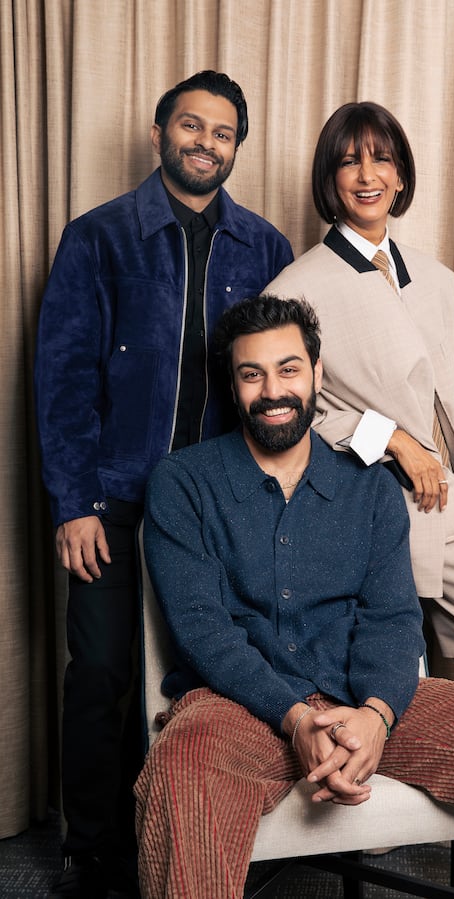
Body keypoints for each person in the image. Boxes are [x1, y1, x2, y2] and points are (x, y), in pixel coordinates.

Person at [135, 295, 454, 899]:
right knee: (183, 773)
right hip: (237, 708)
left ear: (317, 373)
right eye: (253, 374)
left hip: (365, 699)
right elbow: (203, 631)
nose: (273, 390)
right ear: (233, 383)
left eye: (289, 369)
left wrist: (378, 715)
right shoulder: (183, 482)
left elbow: (394, 620)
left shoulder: (372, 489)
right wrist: (296, 716)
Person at [265, 102, 454, 880]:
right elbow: (293, 410)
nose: (367, 175)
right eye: (350, 161)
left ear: (402, 174)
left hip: (452, 506)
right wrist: (390, 437)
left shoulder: (439, 280)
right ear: (329, 181)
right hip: (372, 510)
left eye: (382, 159)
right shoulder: (300, 284)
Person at [35, 71, 293, 899]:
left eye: (223, 133)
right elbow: (63, 378)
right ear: (158, 133)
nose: (205, 143)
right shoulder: (98, 237)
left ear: (235, 148)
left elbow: (285, 381)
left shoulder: (265, 247)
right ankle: (92, 853)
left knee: (210, 676)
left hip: (219, 510)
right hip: (113, 498)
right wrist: (72, 502)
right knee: (105, 672)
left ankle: (193, 840)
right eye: (192, 125)